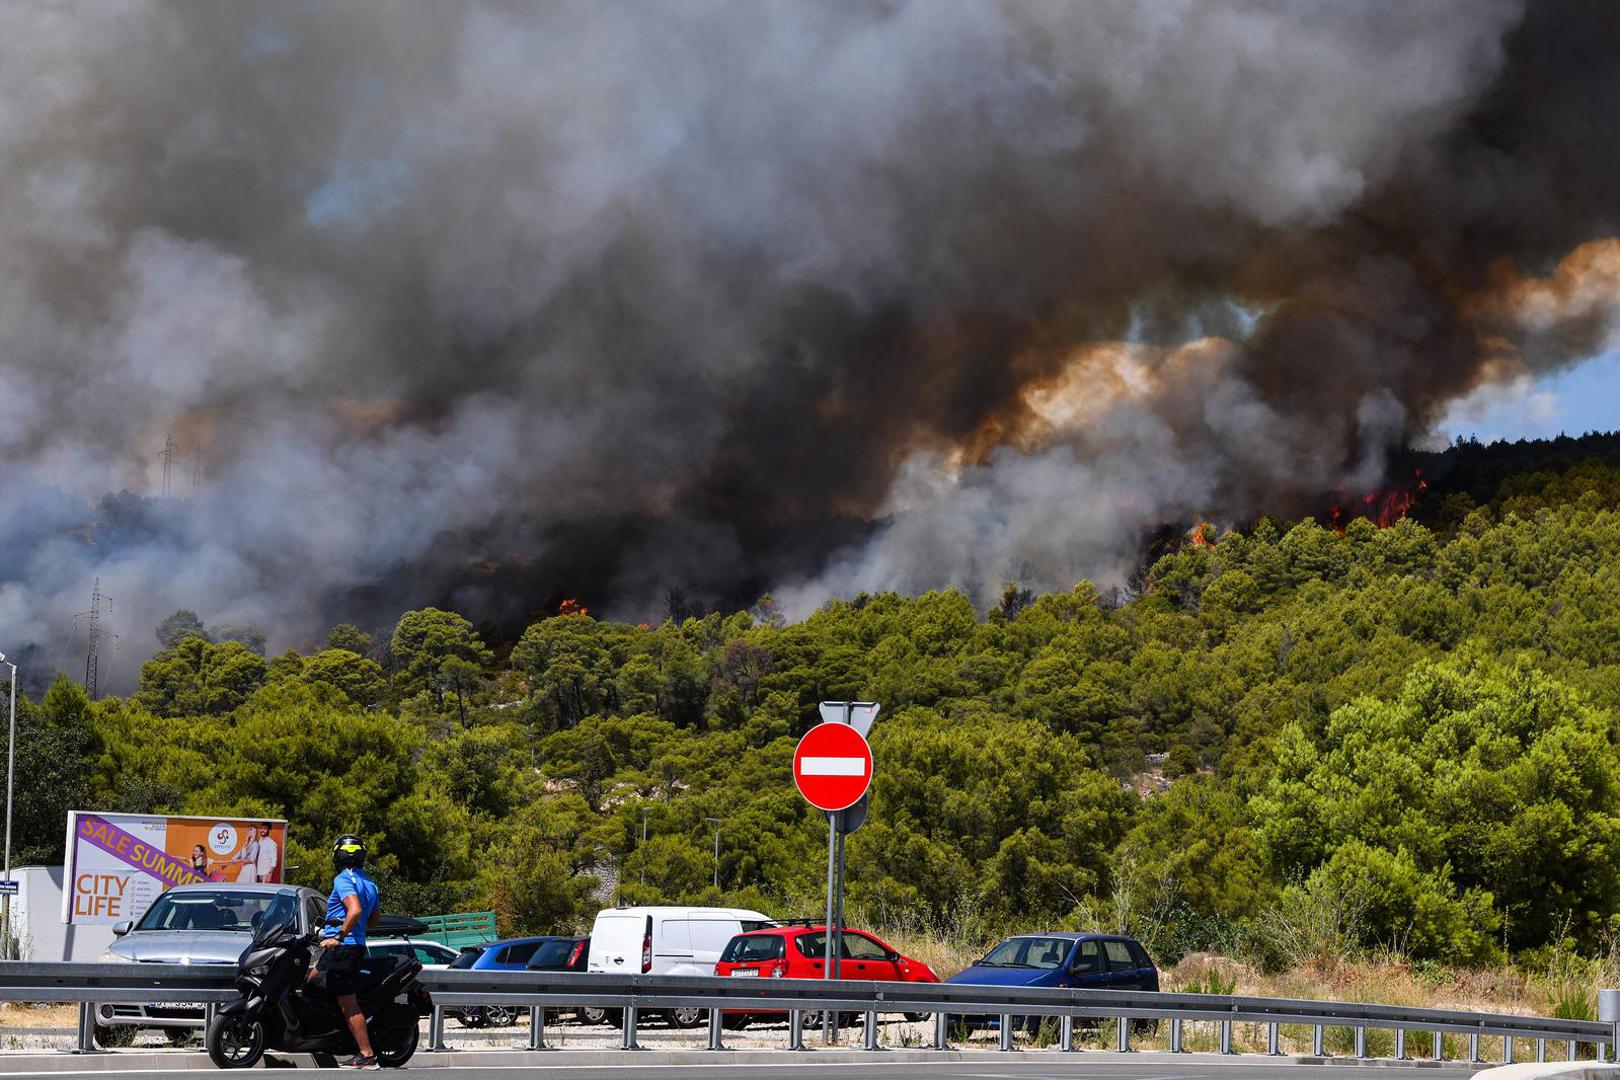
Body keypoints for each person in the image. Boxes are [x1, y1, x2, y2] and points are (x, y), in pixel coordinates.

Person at [320, 833, 382, 1069]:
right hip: (352, 947)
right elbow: (373, 919)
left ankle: (367, 1054)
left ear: (337, 855)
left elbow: (354, 910)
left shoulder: (343, 879)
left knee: (348, 1002)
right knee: (311, 981)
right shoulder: (370, 884)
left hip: (344, 947)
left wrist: (338, 935)